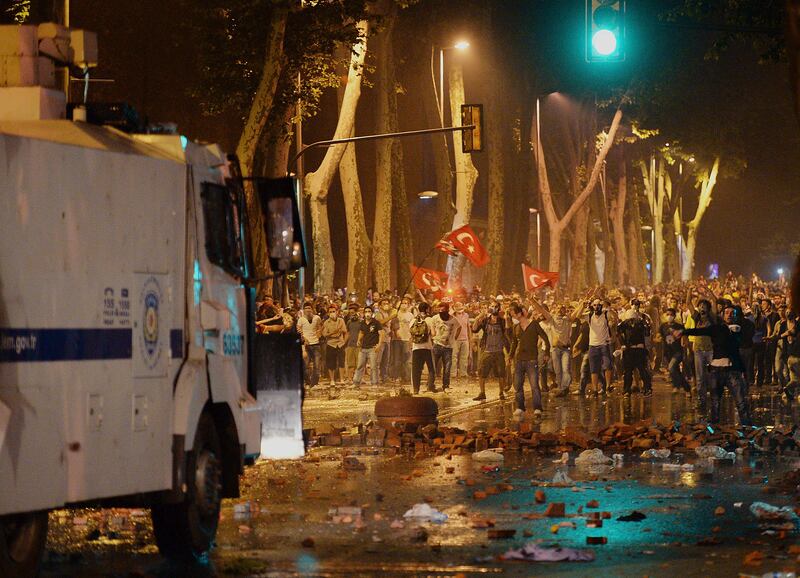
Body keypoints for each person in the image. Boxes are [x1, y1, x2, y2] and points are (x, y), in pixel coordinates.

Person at [678, 304, 753, 426]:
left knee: (741, 402)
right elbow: (699, 331)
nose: (729, 315)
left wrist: (743, 371)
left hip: (732, 370)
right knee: (715, 403)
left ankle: (747, 428)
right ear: (722, 315)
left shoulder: (738, 330)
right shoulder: (717, 328)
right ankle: (714, 430)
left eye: (732, 313)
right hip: (716, 371)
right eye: (727, 312)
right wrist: (684, 332)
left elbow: (737, 350)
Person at [509, 304, 550, 416]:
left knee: (534, 385)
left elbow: (545, 337)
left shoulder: (534, 324)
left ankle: (537, 408)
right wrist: (510, 355)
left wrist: (547, 352)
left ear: (519, 313)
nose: (513, 316)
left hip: (532, 360)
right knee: (518, 385)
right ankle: (520, 407)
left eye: (514, 313)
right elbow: (514, 342)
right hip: (519, 360)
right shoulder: (515, 327)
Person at [472, 302, 509, 401]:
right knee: (481, 372)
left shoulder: (502, 321)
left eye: (496, 306)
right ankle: (482, 393)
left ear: (499, 308)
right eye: (492, 306)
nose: (494, 308)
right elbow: (474, 329)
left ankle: (501, 392)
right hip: (487, 350)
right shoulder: (485, 321)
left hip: (498, 351)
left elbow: (507, 333)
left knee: (501, 373)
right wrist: (478, 317)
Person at [616, 300, 653, 397]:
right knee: (630, 371)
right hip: (631, 349)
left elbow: (647, 332)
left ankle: (646, 388)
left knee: (640, 370)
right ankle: (628, 389)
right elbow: (618, 332)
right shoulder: (627, 323)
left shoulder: (641, 321)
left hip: (638, 348)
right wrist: (623, 344)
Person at [584, 297, 615, 396]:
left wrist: (609, 309)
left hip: (604, 345)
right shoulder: (589, 315)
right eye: (595, 305)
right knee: (594, 369)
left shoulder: (606, 314)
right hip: (592, 345)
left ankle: (608, 387)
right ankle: (594, 390)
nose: (597, 307)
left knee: (607, 365)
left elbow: (615, 318)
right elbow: (576, 315)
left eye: (598, 305)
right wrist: (584, 304)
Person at [430, 302, 461, 391]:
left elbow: (459, 327)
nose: (441, 312)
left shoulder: (453, 319)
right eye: (439, 310)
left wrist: (455, 338)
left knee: (447, 367)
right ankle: (430, 385)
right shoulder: (435, 318)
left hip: (448, 347)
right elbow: (432, 327)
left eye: (443, 310)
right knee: (433, 366)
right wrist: (433, 334)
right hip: (437, 345)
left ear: (447, 310)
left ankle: (446, 386)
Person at [660, 308, 691, 393]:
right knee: (675, 369)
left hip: (677, 351)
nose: (669, 316)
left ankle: (684, 387)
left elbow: (684, 338)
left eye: (671, 314)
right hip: (668, 351)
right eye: (667, 314)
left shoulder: (679, 326)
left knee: (671, 367)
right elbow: (659, 336)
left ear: (674, 316)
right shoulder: (663, 326)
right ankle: (681, 387)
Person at [410, 302, 436, 394]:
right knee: (431, 368)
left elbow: (411, 334)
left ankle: (416, 389)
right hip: (427, 347)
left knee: (416, 369)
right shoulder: (429, 319)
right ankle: (430, 387)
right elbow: (433, 334)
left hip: (416, 348)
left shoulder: (413, 320)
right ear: (427, 309)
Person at [352, 306, 382, 387]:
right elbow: (361, 332)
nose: (367, 313)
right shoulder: (362, 323)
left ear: (372, 313)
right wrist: (359, 340)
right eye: (366, 311)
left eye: (369, 311)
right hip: (363, 347)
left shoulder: (376, 323)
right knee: (359, 366)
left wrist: (379, 344)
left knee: (373, 367)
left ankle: (374, 383)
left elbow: (381, 334)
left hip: (372, 347)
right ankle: (356, 383)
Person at [297, 302, 323, 387]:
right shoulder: (301, 319)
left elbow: (320, 327)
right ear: (303, 310)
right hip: (306, 345)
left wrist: (319, 334)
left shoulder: (317, 318)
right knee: (305, 365)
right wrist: (303, 339)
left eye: (309, 308)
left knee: (317, 365)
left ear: (312, 309)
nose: (308, 310)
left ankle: (314, 383)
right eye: (306, 308)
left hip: (316, 344)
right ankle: (307, 382)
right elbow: (298, 330)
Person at [321, 305, 348, 386]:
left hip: (340, 344)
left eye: (333, 311)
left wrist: (344, 341)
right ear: (328, 313)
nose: (332, 313)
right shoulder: (326, 322)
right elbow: (325, 334)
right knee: (331, 363)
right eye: (330, 312)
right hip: (330, 344)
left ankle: (342, 379)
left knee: (341, 362)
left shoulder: (341, 320)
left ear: (337, 312)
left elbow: (344, 331)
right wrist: (334, 333)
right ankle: (332, 380)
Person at [452, 301, 471, 379]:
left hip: (465, 338)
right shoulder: (452, 316)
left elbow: (468, 327)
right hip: (455, 339)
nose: (459, 307)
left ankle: (463, 373)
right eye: (457, 305)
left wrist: (470, 338)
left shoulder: (466, 315)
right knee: (453, 357)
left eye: (460, 305)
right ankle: (453, 373)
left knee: (464, 357)